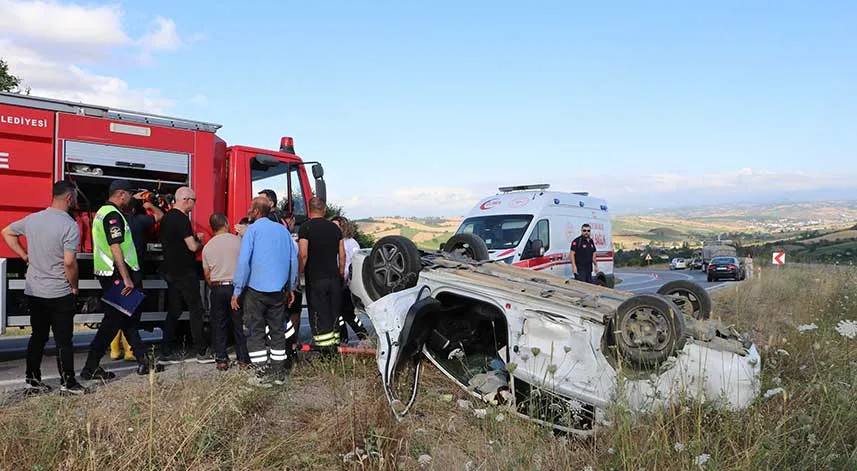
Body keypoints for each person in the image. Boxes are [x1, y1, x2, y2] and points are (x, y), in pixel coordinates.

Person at [1, 180, 87, 395]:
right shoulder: (69, 225)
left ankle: (32, 381)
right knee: (63, 340)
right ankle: (68, 383)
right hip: (59, 292)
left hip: (35, 291)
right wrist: (74, 286)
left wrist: (24, 256)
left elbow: (7, 232)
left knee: (37, 337)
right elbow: (69, 263)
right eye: (74, 197)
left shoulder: (33, 219)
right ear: (69, 198)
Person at [81, 180, 164, 380]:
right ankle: (90, 366)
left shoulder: (103, 212)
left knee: (128, 318)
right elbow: (115, 246)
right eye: (129, 195)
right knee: (113, 321)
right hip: (118, 275)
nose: (130, 198)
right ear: (121, 194)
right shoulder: (112, 215)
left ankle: (144, 361)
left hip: (112, 273)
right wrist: (126, 278)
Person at [232, 197, 298, 386]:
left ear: (256, 212)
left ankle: (260, 373)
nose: (248, 212)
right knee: (278, 331)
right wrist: (290, 287)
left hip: (255, 291)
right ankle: (278, 373)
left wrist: (237, 290)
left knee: (255, 331)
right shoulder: (283, 231)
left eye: (250, 209)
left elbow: (244, 262)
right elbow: (293, 260)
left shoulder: (252, 231)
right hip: (278, 291)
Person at [110, 191, 163, 362]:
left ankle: (114, 350)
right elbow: (160, 215)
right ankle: (130, 351)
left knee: (117, 310)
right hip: (133, 272)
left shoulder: (115, 221)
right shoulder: (139, 221)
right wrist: (149, 205)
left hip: (115, 270)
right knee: (131, 313)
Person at [159, 186, 210, 363]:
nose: (194, 205)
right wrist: (201, 241)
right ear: (185, 200)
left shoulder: (166, 218)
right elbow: (192, 247)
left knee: (174, 311)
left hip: (170, 271)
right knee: (196, 310)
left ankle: (165, 350)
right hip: (185, 272)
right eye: (193, 201)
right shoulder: (181, 219)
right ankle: (202, 351)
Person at [202, 213, 249, 371]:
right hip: (236, 288)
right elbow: (246, 264)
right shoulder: (238, 241)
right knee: (238, 323)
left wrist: (214, 285)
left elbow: (207, 274)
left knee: (219, 324)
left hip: (217, 287)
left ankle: (221, 359)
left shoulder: (208, 246)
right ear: (226, 224)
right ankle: (243, 359)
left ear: (212, 227)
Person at [298, 197, 346, 354]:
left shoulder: (305, 228)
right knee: (333, 313)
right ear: (324, 210)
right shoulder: (335, 229)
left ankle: (324, 351)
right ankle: (335, 347)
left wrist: (298, 275)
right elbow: (342, 255)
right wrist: (340, 274)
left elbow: (303, 254)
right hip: (333, 277)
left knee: (319, 313)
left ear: (309, 210)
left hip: (315, 278)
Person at [331, 215, 368, 343]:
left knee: (348, 314)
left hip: (347, 284)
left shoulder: (351, 243)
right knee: (339, 314)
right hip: (337, 282)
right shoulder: (335, 242)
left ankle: (364, 337)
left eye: (337, 226)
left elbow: (354, 264)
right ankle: (343, 339)